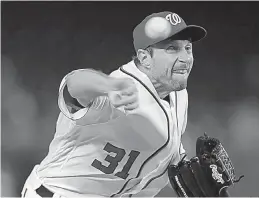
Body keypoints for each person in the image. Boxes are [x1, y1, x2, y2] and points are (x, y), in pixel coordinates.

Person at [21, 11, 207, 198]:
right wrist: (108, 86)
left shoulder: (177, 91)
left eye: (188, 48)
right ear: (144, 58)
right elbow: (73, 86)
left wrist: (188, 166)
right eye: (172, 49)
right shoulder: (122, 91)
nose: (185, 58)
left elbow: (165, 149)